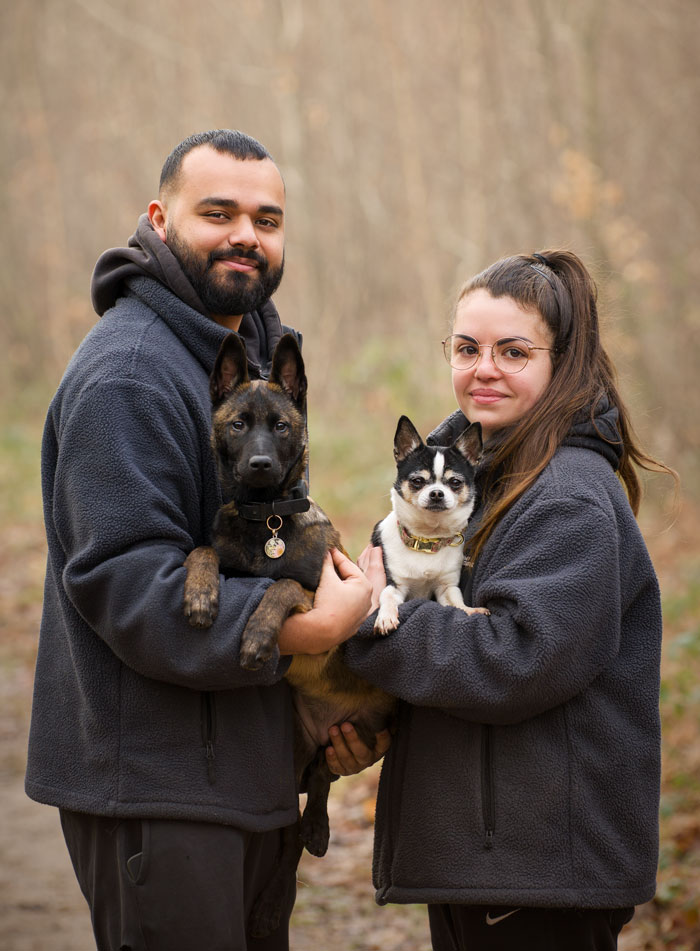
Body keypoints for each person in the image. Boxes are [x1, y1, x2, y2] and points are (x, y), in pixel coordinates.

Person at [26, 129, 388, 951]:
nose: (245, 236)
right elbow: (128, 583)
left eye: (267, 218)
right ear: (158, 218)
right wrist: (318, 627)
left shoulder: (246, 350)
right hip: (159, 789)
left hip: (237, 776)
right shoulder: (131, 373)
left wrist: (317, 706)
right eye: (217, 212)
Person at [345, 250, 677, 950]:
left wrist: (370, 621)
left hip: (540, 865)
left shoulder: (570, 497)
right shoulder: (483, 471)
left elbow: (515, 657)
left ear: (562, 363)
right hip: (497, 857)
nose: (483, 368)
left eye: (513, 351)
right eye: (467, 348)